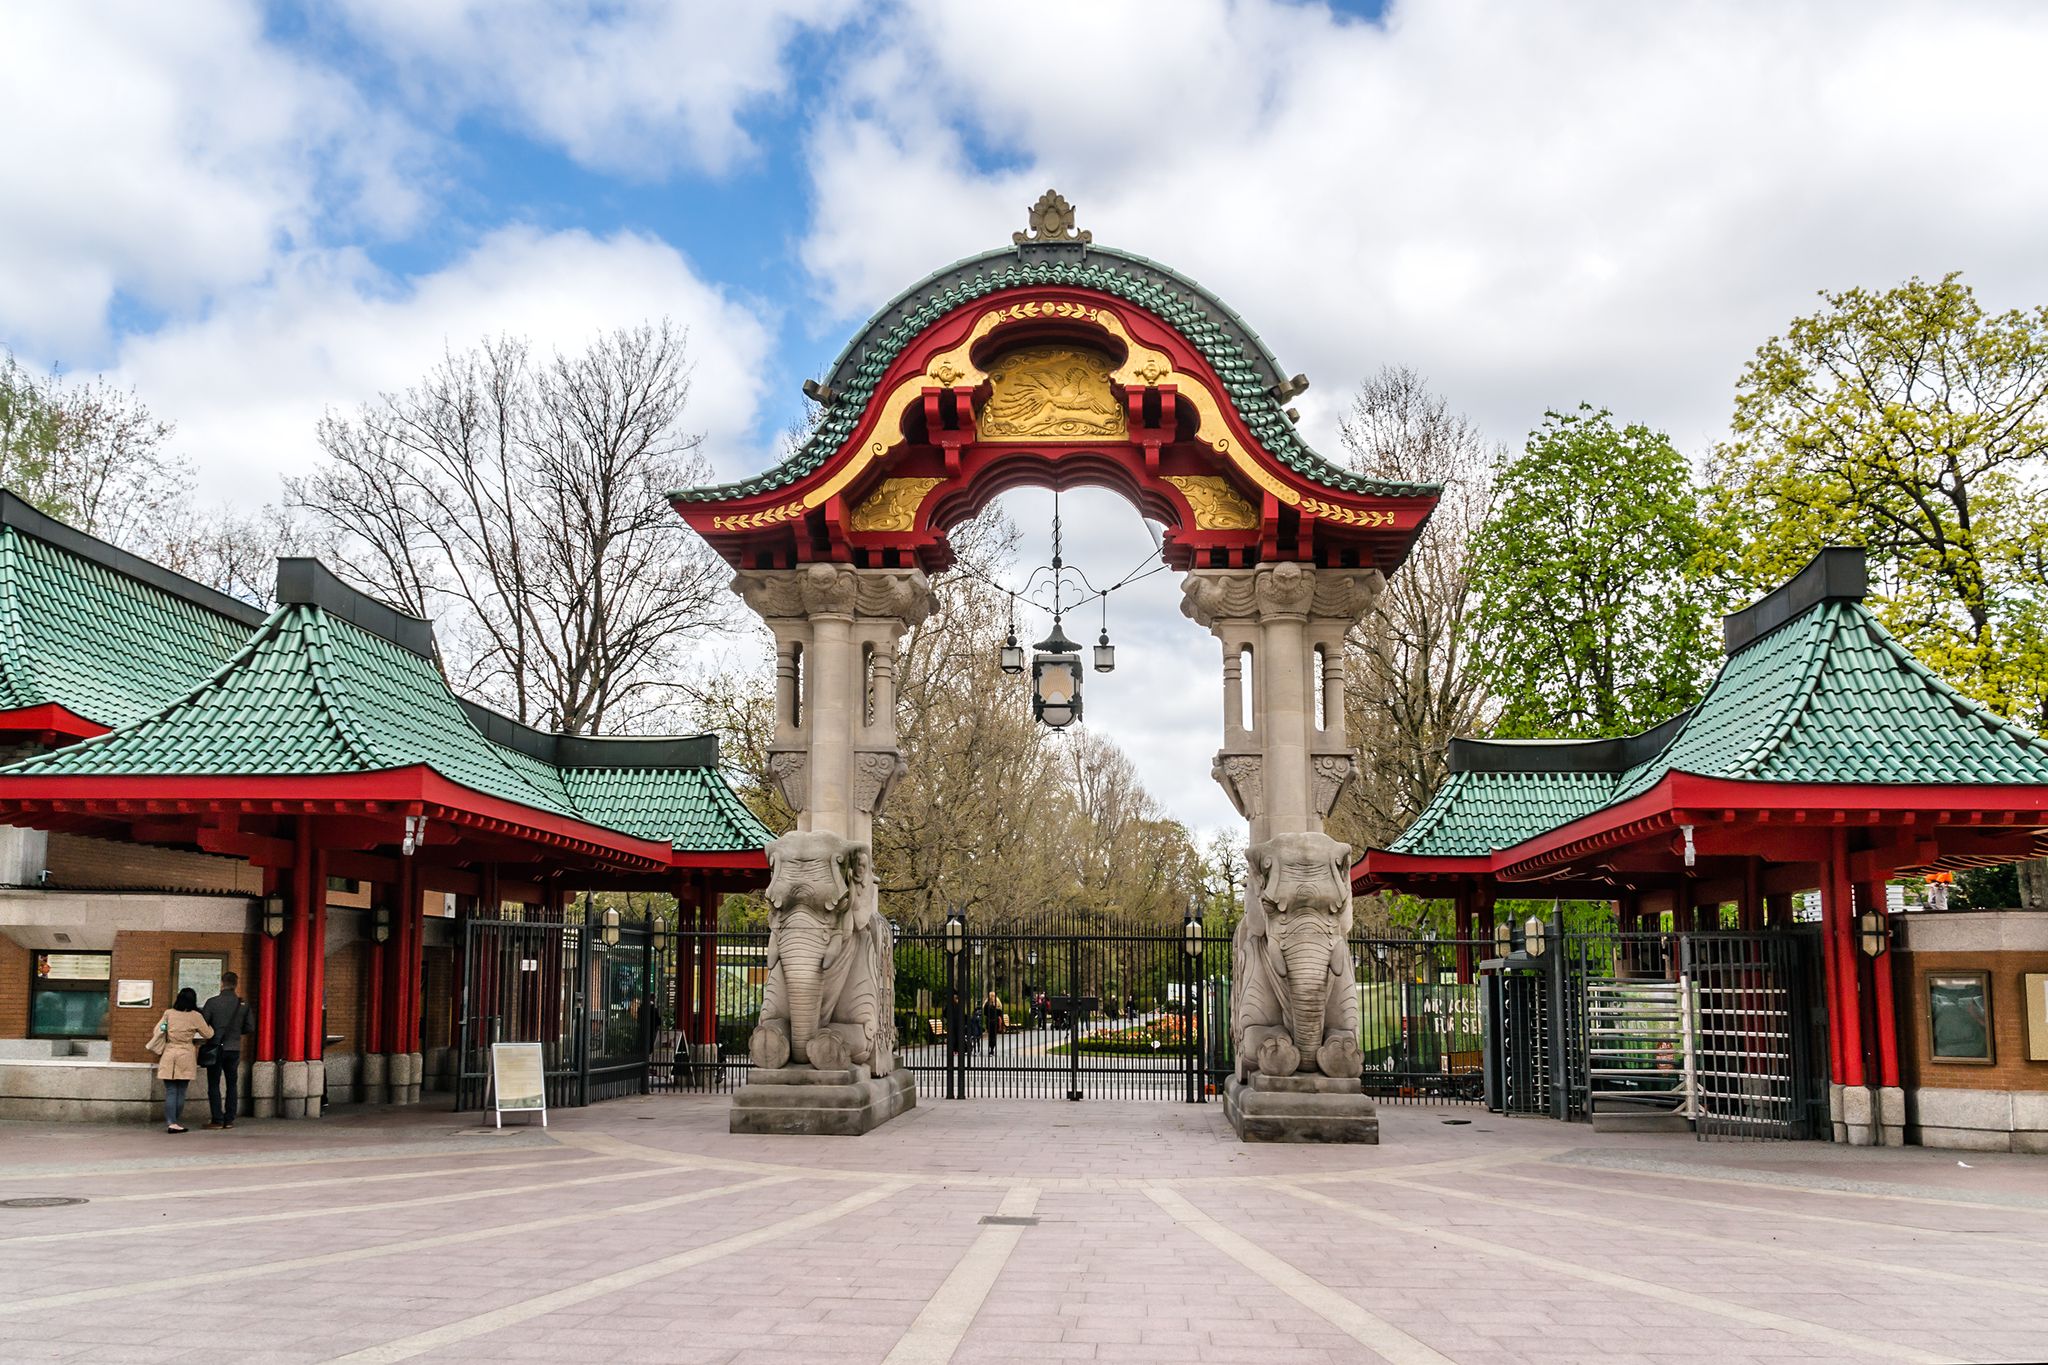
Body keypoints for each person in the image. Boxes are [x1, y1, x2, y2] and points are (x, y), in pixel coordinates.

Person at [152, 988, 213, 1134]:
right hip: (186, 1054)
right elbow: (208, 1034)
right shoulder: (195, 1016)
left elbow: (158, 1030)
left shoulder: (169, 1013)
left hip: (169, 1053)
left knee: (171, 1091)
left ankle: (171, 1122)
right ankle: (175, 1121)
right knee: (181, 1090)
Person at [199, 972, 253, 1129]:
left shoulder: (212, 1002)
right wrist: (236, 1034)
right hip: (234, 1048)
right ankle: (229, 1118)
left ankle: (217, 1118)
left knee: (214, 1083)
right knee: (232, 1083)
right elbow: (250, 1027)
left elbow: (203, 1024)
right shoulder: (243, 1004)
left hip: (215, 1048)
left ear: (222, 983)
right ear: (236, 984)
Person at [981, 990, 1003, 1056]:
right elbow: (1000, 1013)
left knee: (990, 1035)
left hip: (989, 1021)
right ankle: (992, 1049)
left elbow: (984, 1013)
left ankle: (990, 1049)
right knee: (994, 1035)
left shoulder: (987, 1004)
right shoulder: (997, 1003)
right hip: (995, 1021)